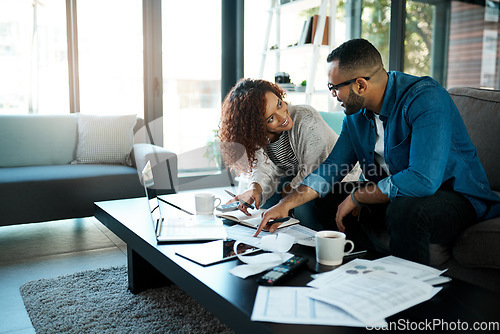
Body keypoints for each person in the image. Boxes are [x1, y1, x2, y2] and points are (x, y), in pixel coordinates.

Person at [256, 38, 500, 265]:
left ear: (360, 85)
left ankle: (408, 295)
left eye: (333, 87)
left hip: (455, 197)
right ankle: (356, 268)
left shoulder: (425, 99)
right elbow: (331, 169)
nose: (332, 94)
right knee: (328, 198)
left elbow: (423, 180)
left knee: (405, 209)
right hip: (398, 196)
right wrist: (285, 204)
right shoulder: (356, 116)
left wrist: (359, 197)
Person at [218, 78, 337, 230]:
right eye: (271, 118)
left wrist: (285, 199)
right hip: (296, 179)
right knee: (262, 202)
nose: (283, 117)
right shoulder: (258, 136)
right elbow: (263, 168)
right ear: (257, 127)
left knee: (300, 207)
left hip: (333, 179)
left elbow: (314, 172)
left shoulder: (306, 119)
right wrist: (255, 189)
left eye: (280, 105)